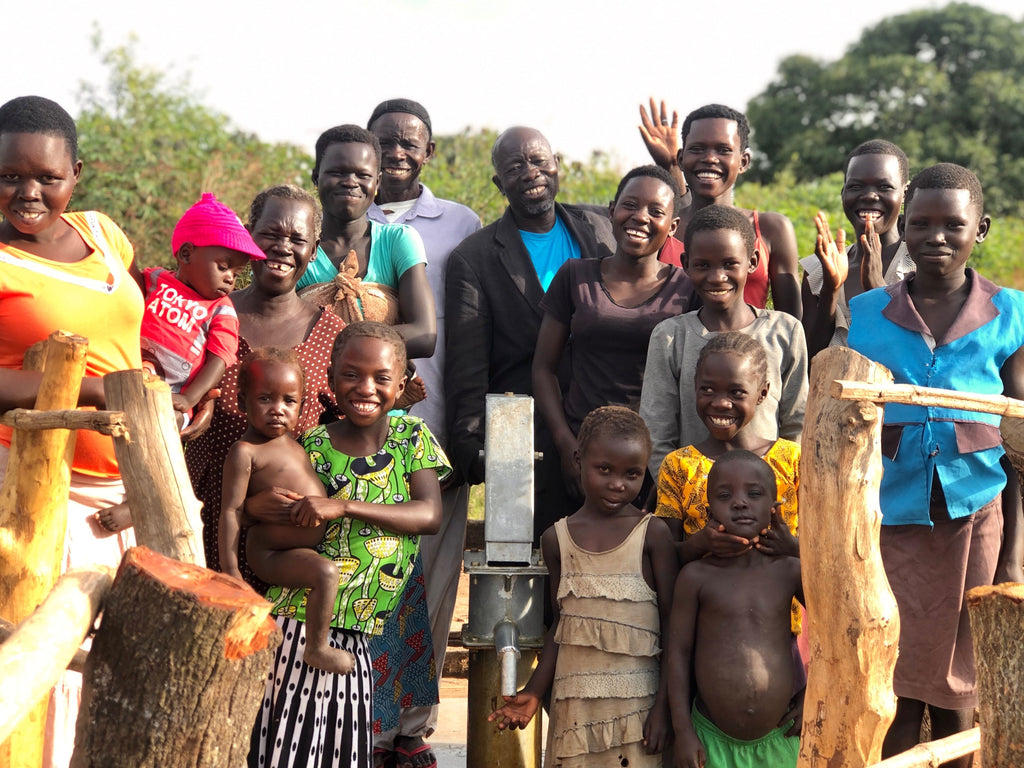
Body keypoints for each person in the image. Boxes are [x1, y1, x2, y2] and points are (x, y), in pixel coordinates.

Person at [836, 163, 1024, 765]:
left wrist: (1016, 549)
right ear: (903, 228)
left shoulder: (1011, 313)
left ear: (982, 229)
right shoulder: (866, 315)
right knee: (891, 679)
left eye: (953, 224)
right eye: (921, 223)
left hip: (976, 522)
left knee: (961, 685)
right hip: (889, 525)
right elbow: (843, 428)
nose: (935, 237)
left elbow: (1021, 441)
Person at [0, 95, 143, 768]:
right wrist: (84, 390)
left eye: (47, 178)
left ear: (76, 173)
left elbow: (128, 336)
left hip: (130, 488)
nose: (28, 192)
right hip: (37, 494)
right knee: (45, 657)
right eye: (9, 176)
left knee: (118, 663)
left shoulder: (103, 235)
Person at [248, 322, 449, 768]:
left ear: (401, 385)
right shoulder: (313, 446)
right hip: (302, 623)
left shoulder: (411, 440)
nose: (366, 388)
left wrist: (344, 506)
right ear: (332, 379)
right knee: (290, 748)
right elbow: (276, 510)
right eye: (351, 375)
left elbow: (429, 516)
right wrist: (259, 506)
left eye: (381, 378)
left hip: (360, 633)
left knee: (343, 750)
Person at [366, 99, 481, 768]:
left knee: (429, 589)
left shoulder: (460, 225)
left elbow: (465, 331)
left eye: (410, 144)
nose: (398, 153)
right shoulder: (342, 217)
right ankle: (360, 717)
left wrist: (465, 428)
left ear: (430, 151)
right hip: (353, 439)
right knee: (363, 578)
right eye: (386, 143)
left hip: (432, 434)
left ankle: (411, 726)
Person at [445, 126, 616, 542]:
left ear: (557, 165)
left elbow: (671, 231)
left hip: (609, 426)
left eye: (539, 161)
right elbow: (468, 363)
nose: (531, 172)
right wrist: (474, 451)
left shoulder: (602, 227)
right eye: (515, 166)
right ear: (497, 182)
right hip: (531, 440)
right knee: (539, 561)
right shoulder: (475, 258)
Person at [489, 406, 677, 767]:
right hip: (573, 712)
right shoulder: (556, 540)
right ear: (578, 459)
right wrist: (533, 692)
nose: (617, 483)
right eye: (604, 469)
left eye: (632, 473)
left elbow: (673, 629)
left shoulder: (653, 535)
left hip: (639, 715)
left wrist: (665, 709)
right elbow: (564, 627)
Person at [185, 184, 346, 579]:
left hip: (287, 541)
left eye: (297, 239)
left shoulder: (332, 335)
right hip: (194, 518)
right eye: (270, 234)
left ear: (315, 248)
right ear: (247, 231)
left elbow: (343, 443)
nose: (282, 247)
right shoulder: (204, 312)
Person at [97, 193, 269, 534]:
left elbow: (219, 358)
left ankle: (140, 498)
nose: (232, 277)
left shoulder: (221, 310)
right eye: (224, 266)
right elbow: (120, 297)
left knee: (164, 436)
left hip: (172, 394)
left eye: (236, 271)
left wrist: (190, 400)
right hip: (127, 374)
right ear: (187, 254)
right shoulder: (156, 281)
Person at [533, 164, 694, 502]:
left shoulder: (686, 288)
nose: (640, 217)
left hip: (653, 460)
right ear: (611, 210)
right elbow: (543, 369)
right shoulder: (576, 275)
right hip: (582, 454)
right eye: (630, 205)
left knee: (645, 552)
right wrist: (566, 445)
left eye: (656, 211)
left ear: (673, 226)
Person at [639, 205, 808, 480]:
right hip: (692, 506)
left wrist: (770, 496)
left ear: (752, 262)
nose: (717, 277)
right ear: (685, 262)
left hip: (768, 503)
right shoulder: (670, 337)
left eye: (730, 264)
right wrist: (686, 496)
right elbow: (657, 433)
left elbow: (796, 426)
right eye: (703, 265)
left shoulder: (785, 332)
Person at [218, 347, 354, 675]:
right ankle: (317, 648)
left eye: (288, 401)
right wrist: (231, 571)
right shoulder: (245, 452)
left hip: (298, 546)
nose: (278, 410)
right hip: (268, 550)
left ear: (302, 406)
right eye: (266, 399)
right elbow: (230, 511)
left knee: (327, 572)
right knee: (325, 573)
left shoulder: (298, 443)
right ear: (241, 401)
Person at [667, 450, 804, 768]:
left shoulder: (789, 570)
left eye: (754, 493)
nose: (740, 502)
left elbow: (834, 627)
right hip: (710, 741)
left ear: (774, 505)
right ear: (710, 507)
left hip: (782, 738)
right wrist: (682, 731)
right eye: (724, 495)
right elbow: (678, 655)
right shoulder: (697, 576)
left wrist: (814, 693)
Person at [638, 99, 802, 319]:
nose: (709, 159)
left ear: (743, 161)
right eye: (697, 149)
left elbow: (791, 324)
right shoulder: (663, 227)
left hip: (755, 352)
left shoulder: (772, 228)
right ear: (681, 158)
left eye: (724, 150)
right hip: (675, 351)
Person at [297, 124, 435, 361]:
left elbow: (424, 335)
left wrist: (327, 345)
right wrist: (379, 343)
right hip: (308, 394)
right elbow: (273, 323)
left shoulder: (397, 241)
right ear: (316, 177)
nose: (350, 182)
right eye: (337, 172)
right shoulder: (297, 246)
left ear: (377, 182)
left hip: (375, 396)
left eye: (363, 175)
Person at [801, 139, 914, 356]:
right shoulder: (818, 270)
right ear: (843, 193)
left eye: (884, 187)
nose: (870, 195)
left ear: (905, 194)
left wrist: (879, 291)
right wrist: (830, 291)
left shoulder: (918, 265)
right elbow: (809, 359)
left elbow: (917, 354)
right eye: (856, 186)